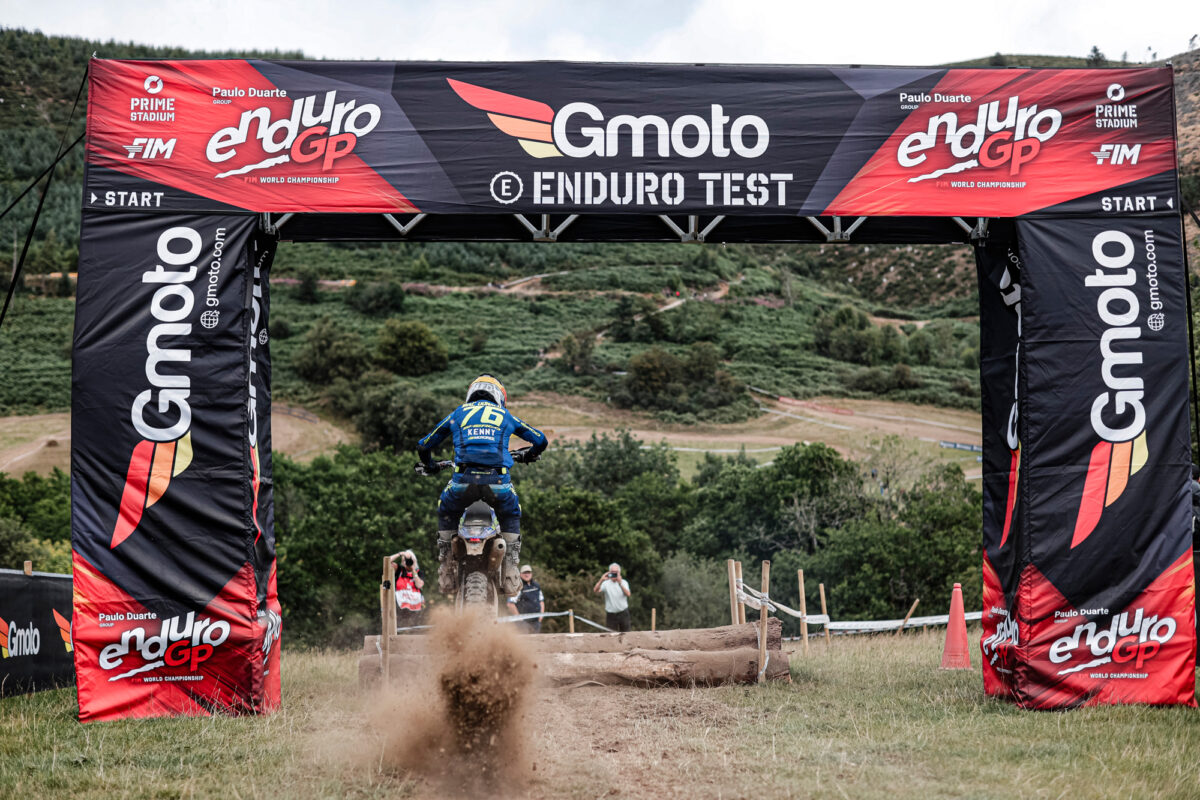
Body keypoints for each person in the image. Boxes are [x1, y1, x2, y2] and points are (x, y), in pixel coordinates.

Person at [416, 374, 547, 595]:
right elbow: (541, 440)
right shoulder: (505, 415)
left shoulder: (458, 413)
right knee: (511, 513)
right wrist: (529, 454)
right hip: (498, 484)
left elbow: (423, 445)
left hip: (462, 482)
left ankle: (446, 566)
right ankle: (510, 568)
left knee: (446, 509)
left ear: (471, 393)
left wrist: (430, 466)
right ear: (500, 396)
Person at [389, 549, 424, 630]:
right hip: (400, 606)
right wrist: (400, 554)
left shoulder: (419, 572)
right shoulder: (400, 570)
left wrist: (413, 571)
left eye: (408, 560)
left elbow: (419, 585)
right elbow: (387, 562)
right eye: (404, 560)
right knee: (401, 626)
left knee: (415, 628)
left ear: (414, 561)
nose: (406, 562)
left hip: (415, 607)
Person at [593, 562, 632, 632]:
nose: (614, 574)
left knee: (626, 634)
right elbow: (595, 590)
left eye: (616, 572)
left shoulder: (624, 582)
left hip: (623, 612)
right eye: (612, 572)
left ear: (619, 573)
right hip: (611, 614)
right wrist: (601, 579)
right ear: (609, 572)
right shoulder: (606, 583)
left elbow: (628, 594)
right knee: (611, 635)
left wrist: (620, 583)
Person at [507, 564, 545, 633]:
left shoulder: (536, 586)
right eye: (524, 573)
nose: (527, 575)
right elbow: (510, 604)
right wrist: (520, 619)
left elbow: (541, 601)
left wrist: (541, 617)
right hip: (523, 623)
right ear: (520, 574)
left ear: (531, 574)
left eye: (528, 572)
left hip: (536, 622)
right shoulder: (517, 587)